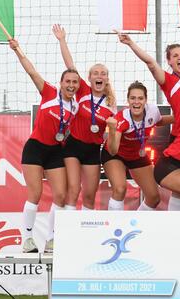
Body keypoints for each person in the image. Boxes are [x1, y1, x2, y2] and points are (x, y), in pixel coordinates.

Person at [117, 4, 180, 211]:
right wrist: (131, 43)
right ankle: (177, 228)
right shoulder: (168, 80)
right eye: (175, 56)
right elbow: (149, 62)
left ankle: (179, 232)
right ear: (169, 62)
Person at [9, 37, 79, 253]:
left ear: (78, 86)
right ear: (61, 83)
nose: (71, 85)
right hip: (35, 148)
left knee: (60, 195)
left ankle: (51, 240)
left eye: (75, 82)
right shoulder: (48, 92)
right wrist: (17, 50)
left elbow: (66, 130)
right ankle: (27, 239)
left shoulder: (75, 107)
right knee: (35, 194)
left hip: (54, 151)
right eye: (67, 81)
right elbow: (32, 71)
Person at [52, 24, 117, 211]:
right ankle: (68, 231)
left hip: (92, 150)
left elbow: (110, 135)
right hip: (73, 146)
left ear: (106, 79)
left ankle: (85, 234)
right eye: (95, 73)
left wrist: (111, 131)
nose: (99, 76)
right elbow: (70, 65)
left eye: (103, 74)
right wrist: (62, 40)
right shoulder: (82, 90)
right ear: (88, 78)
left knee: (90, 195)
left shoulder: (111, 104)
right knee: (73, 189)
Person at [102, 81, 174, 211]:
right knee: (120, 189)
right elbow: (113, 150)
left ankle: (135, 223)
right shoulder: (122, 119)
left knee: (154, 198)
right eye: (133, 98)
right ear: (128, 101)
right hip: (115, 155)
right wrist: (112, 131)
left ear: (146, 100)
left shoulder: (152, 111)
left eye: (140, 98)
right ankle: (115, 227)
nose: (136, 102)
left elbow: (158, 121)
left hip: (136, 155)